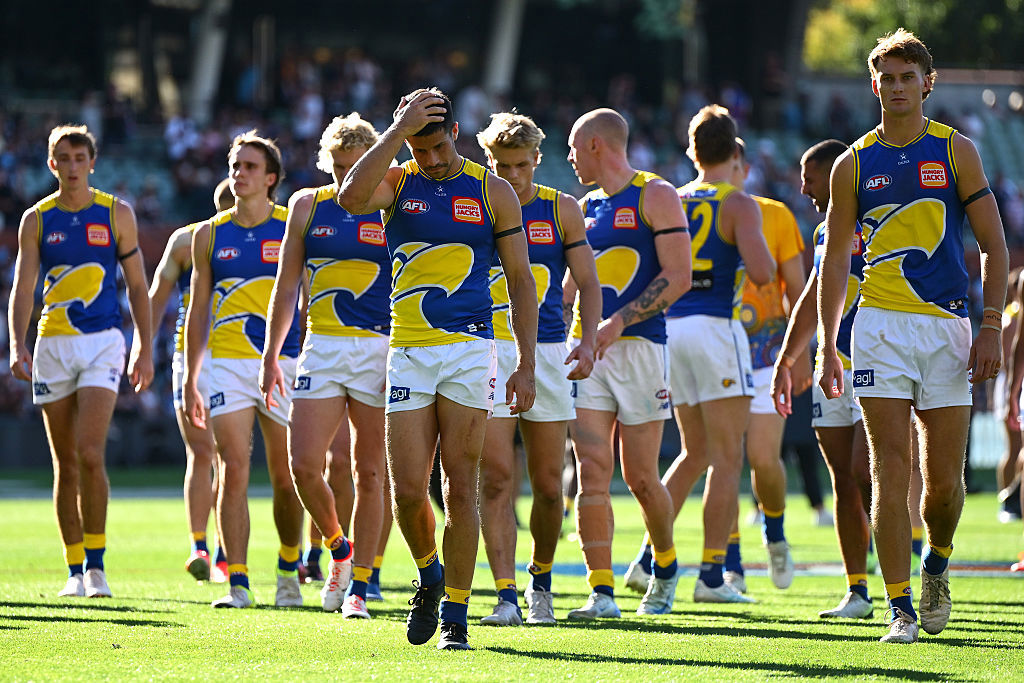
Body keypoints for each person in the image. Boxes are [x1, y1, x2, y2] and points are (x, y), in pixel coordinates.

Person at [817, 29, 1008, 643]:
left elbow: (995, 248)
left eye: (908, 77)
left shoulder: (957, 151)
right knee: (887, 469)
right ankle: (899, 609)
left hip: (949, 326)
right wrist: (826, 344)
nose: (897, 87)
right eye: (887, 78)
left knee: (944, 486)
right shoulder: (852, 162)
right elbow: (836, 264)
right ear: (875, 86)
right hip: (877, 326)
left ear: (928, 83)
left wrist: (990, 326)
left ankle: (938, 562)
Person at [338, 88, 537, 650]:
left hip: (471, 350)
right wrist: (396, 133)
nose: (431, 158)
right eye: (419, 149)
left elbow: (521, 280)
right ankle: (429, 576)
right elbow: (350, 198)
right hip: (409, 349)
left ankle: (457, 614)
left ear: (455, 133)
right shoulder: (396, 180)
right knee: (405, 490)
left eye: (438, 145)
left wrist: (525, 362)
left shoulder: (491, 189)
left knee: (459, 484)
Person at [626, 106, 773, 605]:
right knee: (727, 459)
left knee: (694, 452)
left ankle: (649, 556)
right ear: (735, 151)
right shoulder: (740, 203)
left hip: (670, 328)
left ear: (691, 151)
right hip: (715, 330)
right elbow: (760, 272)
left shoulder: (671, 197)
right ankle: (712, 576)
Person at [7, 124, 154, 597]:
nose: (71, 167)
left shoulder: (116, 213)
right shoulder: (37, 219)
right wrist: (17, 342)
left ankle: (96, 566)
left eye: (79, 158)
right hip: (53, 344)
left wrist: (143, 345)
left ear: (92, 163)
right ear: (51, 165)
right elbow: (23, 288)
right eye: (62, 159)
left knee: (91, 454)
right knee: (65, 462)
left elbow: (136, 285)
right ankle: (73, 568)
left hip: (103, 343)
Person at [262, 112, 392, 619]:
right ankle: (340, 548)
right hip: (321, 346)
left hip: (381, 347)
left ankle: (360, 586)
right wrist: (272, 354)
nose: (345, 179)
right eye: (338, 166)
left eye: (355, 167)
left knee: (368, 472)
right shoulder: (306, 205)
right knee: (303, 465)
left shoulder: (390, 206)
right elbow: (285, 286)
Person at [474, 111, 601, 626]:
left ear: (537, 162)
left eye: (522, 165)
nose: (512, 177)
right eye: (502, 166)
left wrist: (587, 339)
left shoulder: (561, 208)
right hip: (485, 352)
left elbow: (589, 284)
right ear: (489, 162)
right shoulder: (472, 206)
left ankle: (540, 581)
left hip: (547, 352)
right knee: (497, 478)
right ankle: (505, 594)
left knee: (550, 484)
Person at [564, 107, 691, 619]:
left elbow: (678, 276)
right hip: (586, 351)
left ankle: (664, 568)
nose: (570, 159)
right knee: (591, 470)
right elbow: (570, 285)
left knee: (640, 475)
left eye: (573, 148)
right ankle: (602, 592)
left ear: (596, 144)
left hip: (639, 349)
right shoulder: (582, 207)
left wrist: (615, 324)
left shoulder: (655, 194)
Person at [183, 130, 306, 609]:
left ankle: (288, 569)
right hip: (228, 362)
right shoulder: (209, 234)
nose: (240, 174)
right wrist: (193, 375)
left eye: (250, 167)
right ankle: (237, 581)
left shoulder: (292, 222)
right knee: (232, 469)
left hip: (284, 360)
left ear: (271, 178)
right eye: (235, 165)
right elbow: (197, 312)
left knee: (287, 474)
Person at [772, 138, 878, 619]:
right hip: (831, 365)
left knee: (867, 471)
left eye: (810, 176)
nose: (803, 186)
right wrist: (791, 354)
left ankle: (905, 570)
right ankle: (857, 590)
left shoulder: (878, 219)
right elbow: (814, 296)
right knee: (844, 480)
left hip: (878, 361)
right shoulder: (822, 233)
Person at [148, 177, 234, 583]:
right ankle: (217, 552)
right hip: (215, 353)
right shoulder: (191, 240)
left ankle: (202, 544)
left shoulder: (186, 239)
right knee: (221, 458)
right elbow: (157, 294)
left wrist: (144, 347)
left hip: (201, 354)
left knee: (203, 455)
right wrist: (141, 349)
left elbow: (158, 293)